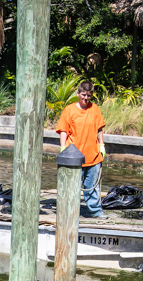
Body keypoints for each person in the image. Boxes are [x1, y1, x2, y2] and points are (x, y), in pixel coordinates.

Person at [55, 81, 108, 219]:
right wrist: (63, 148)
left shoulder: (94, 109)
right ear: (78, 93)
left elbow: (99, 129)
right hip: (74, 157)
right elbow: (63, 131)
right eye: (83, 95)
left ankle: (96, 211)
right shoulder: (69, 110)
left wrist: (102, 145)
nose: (86, 98)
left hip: (93, 155)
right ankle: (70, 212)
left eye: (89, 96)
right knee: (72, 187)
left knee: (92, 187)